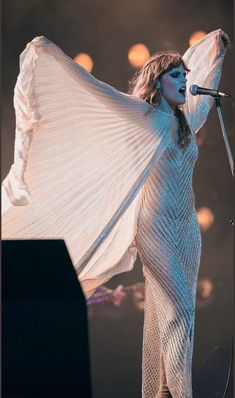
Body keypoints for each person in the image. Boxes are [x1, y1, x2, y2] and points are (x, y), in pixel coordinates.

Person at [2, 29, 230, 397]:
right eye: (176, 75)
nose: (185, 80)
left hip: (186, 226)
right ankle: (182, 392)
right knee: (177, 311)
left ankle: (163, 391)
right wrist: (50, 57)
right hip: (154, 226)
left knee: (173, 307)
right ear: (157, 81)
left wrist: (215, 47)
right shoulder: (141, 118)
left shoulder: (185, 123)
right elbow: (98, 96)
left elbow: (205, 82)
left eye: (186, 75)